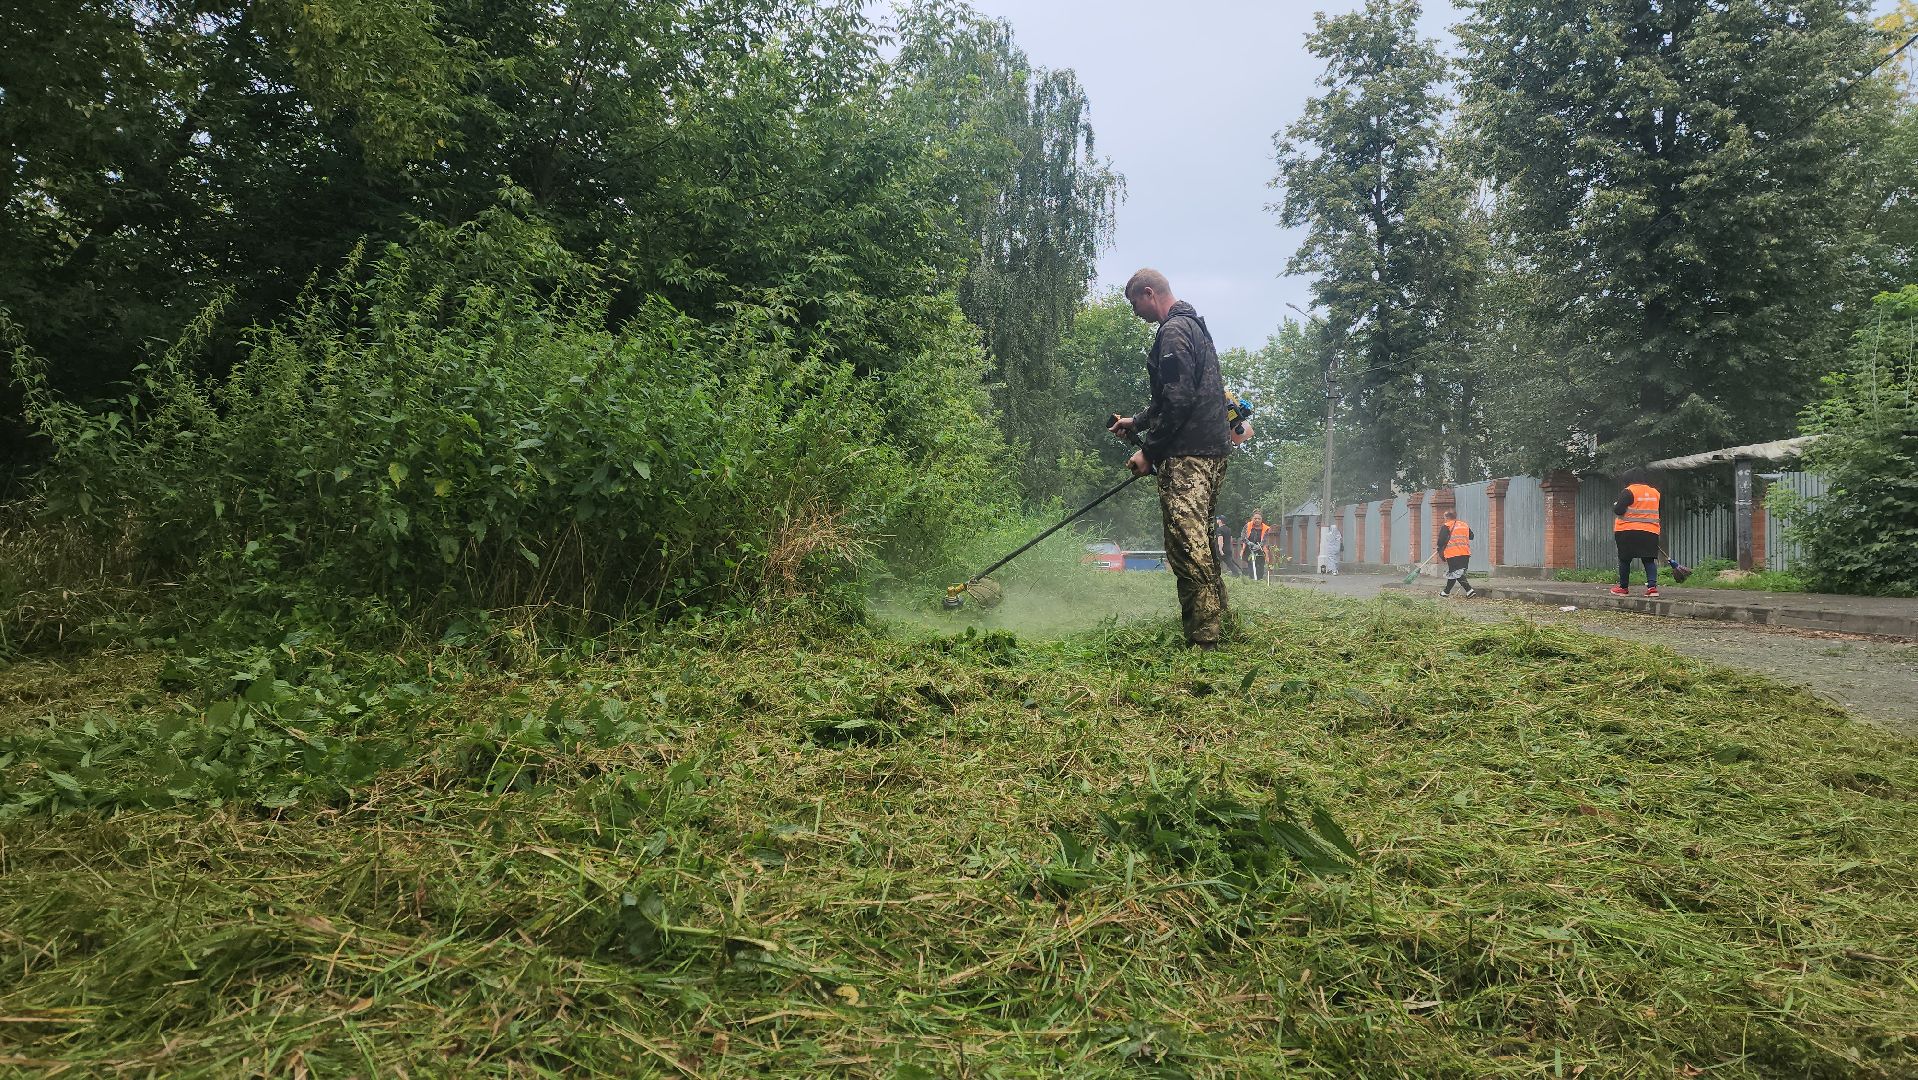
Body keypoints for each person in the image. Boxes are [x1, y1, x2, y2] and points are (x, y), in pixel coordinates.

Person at [1108, 269, 1233, 649]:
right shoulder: (1195, 327)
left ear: (1149, 293)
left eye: (1135, 304)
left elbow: (1178, 401)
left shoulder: (1173, 332)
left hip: (1188, 456)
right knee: (1203, 542)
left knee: (1187, 545)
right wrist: (1138, 421)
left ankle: (1204, 641)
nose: (1135, 313)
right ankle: (1221, 624)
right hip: (1212, 451)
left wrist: (1149, 450)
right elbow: (1176, 395)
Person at [1612, 471, 1662, 597]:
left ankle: (1623, 588)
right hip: (1650, 531)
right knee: (1649, 559)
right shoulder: (1655, 492)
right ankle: (1652, 588)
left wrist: (1615, 505)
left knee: (1624, 559)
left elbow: (1619, 510)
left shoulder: (1628, 491)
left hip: (1627, 531)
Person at [1435, 508, 1476, 598]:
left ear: (1447, 517)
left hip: (1453, 553)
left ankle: (1469, 590)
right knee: (1454, 573)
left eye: (1444, 517)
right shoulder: (1464, 525)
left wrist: (1440, 547)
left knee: (1456, 573)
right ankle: (1446, 592)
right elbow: (1471, 536)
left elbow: (1440, 541)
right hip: (1465, 553)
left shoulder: (1446, 526)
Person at [1240, 510, 1271, 581]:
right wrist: (1249, 543)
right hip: (1249, 549)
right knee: (1251, 565)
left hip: (1261, 550)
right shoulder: (1247, 526)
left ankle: (1260, 580)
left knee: (1260, 567)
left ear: (1261, 519)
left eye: (1259, 519)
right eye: (1255, 518)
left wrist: (1259, 546)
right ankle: (1252, 581)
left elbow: (1265, 539)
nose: (1257, 520)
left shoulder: (1266, 528)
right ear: (1252, 518)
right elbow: (1243, 537)